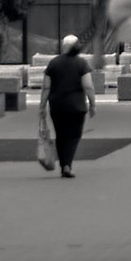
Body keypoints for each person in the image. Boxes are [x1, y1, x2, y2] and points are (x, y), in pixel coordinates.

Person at [43, 35, 93, 177]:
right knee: (74, 135)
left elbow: (46, 87)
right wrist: (93, 103)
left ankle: (64, 164)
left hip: (57, 106)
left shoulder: (53, 63)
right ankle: (67, 165)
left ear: (63, 46)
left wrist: (42, 106)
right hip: (77, 107)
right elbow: (88, 86)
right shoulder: (82, 63)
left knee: (60, 135)